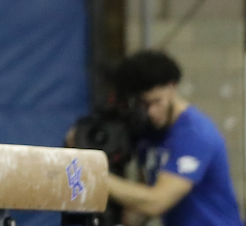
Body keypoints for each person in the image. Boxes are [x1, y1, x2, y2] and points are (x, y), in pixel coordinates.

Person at [104, 49, 243, 226]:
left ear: (172, 87)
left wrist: (96, 178)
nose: (151, 112)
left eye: (156, 101)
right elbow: (144, 201)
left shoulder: (195, 134)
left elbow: (156, 201)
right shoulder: (148, 135)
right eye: (144, 105)